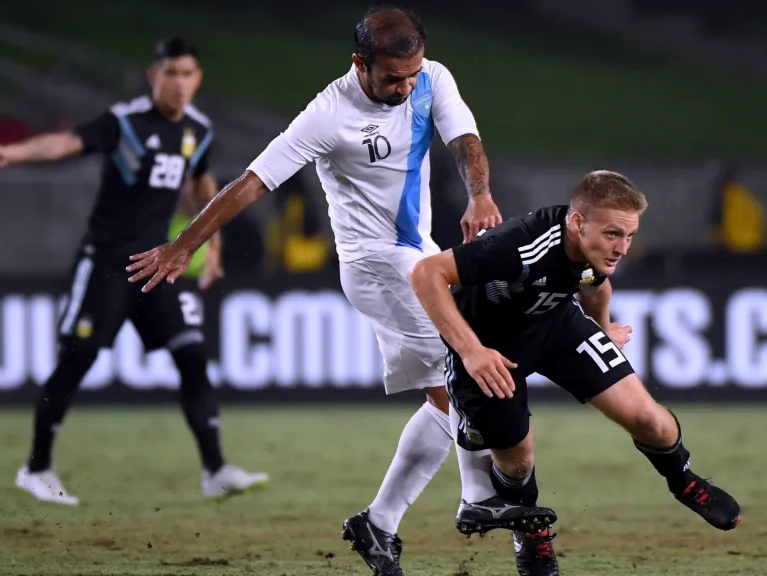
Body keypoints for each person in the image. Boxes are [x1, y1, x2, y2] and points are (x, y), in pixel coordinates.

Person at [125, 6, 555, 575]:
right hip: (375, 266)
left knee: (441, 397)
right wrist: (185, 242)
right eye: (391, 78)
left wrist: (479, 194)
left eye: (411, 74)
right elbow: (251, 183)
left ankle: (377, 525)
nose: (405, 87)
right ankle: (479, 498)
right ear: (361, 63)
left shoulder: (433, 79)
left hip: (419, 257)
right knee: (466, 373)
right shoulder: (328, 114)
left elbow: (466, 142)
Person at [0, 37, 268, 506]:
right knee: (78, 359)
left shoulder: (198, 130)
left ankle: (216, 470)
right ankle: (36, 467)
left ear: (198, 79)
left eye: (187, 73)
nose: (179, 82)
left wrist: (210, 246)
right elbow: (67, 143)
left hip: (158, 267)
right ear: (155, 77)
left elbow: (200, 186)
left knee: (192, 356)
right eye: (170, 73)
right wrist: (13, 154)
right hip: (106, 263)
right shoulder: (125, 122)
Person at [407, 170, 744, 576]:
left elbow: (595, 285)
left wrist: (602, 328)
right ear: (578, 222)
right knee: (517, 463)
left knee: (650, 419)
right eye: (614, 234)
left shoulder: (592, 250)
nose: (622, 248)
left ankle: (684, 480)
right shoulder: (516, 246)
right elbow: (426, 274)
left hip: (555, 325)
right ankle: (529, 531)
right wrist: (471, 350)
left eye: (630, 236)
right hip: (489, 348)